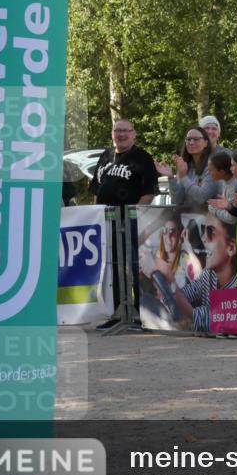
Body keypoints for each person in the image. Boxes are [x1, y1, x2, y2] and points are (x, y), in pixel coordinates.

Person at [90, 119, 159, 330]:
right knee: (113, 268)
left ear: (134, 134)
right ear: (112, 134)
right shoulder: (105, 156)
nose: (121, 134)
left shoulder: (142, 158)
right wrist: (96, 215)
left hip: (130, 222)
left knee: (136, 267)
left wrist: (134, 216)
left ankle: (141, 315)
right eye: (117, 131)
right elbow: (97, 189)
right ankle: (118, 313)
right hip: (107, 222)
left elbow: (149, 192)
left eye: (126, 131)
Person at [145, 214, 237, 335]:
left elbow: (202, 317)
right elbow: (187, 294)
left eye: (210, 232)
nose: (203, 238)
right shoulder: (209, 275)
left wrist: (168, 279)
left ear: (231, 248)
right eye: (203, 230)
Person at [156, 126, 219, 213]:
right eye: (188, 139)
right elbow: (177, 200)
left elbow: (202, 198)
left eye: (196, 139)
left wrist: (183, 177)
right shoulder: (186, 166)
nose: (191, 142)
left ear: (205, 143)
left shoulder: (212, 166)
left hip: (207, 218)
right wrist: (170, 178)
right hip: (187, 217)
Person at [206, 151, 237, 224]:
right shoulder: (225, 181)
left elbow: (232, 218)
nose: (208, 173)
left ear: (221, 172)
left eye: (210, 170)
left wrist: (214, 210)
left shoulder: (235, 186)